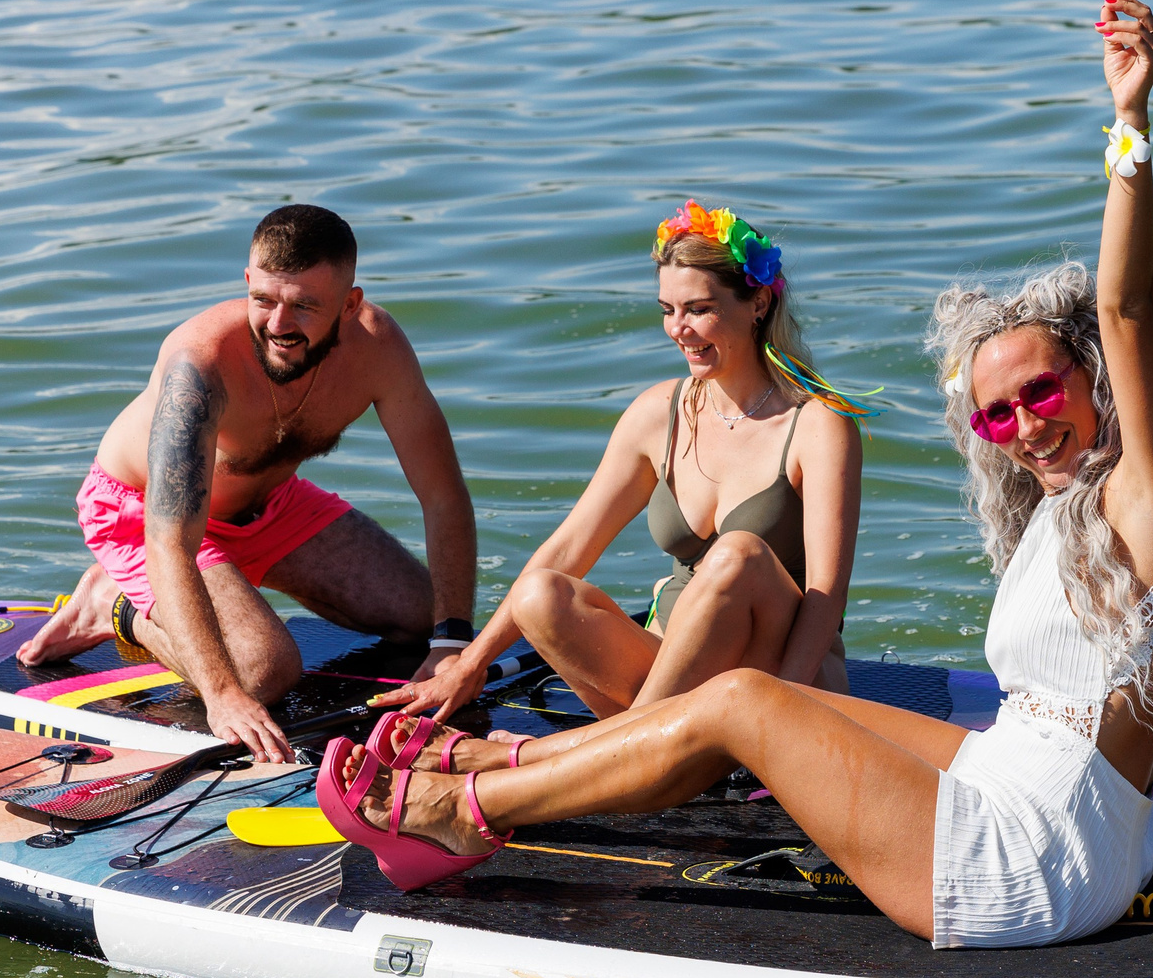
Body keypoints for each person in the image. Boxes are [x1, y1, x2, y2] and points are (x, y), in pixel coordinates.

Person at [320, 0, 1153, 948]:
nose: (1025, 427)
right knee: (780, 704)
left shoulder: (1146, 498)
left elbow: (1131, 309)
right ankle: (512, 753)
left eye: (1042, 391)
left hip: (1040, 860)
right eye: (996, 412)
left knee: (746, 699)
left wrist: (1130, 122)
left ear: (1093, 376)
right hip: (1035, 792)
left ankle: (472, 807)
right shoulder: (1058, 512)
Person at [373, 201, 871, 734]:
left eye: (698, 309)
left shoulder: (819, 425)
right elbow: (568, 550)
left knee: (739, 554)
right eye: (666, 309)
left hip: (779, 675)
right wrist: (467, 666)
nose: (678, 329)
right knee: (541, 592)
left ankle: (612, 755)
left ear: (758, 303)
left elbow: (826, 596)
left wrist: (787, 707)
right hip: (671, 672)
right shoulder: (658, 413)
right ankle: (643, 745)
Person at [14, 205, 479, 763]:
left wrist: (452, 645)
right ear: (247, 284)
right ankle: (115, 606)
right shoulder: (201, 364)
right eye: (264, 300)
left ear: (350, 304)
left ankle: (186, 598)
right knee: (263, 671)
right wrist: (222, 693)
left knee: (423, 616)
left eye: (305, 305)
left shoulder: (378, 348)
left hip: (272, 505)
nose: (279, 325)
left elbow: (443, 495)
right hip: (147, 518)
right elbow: (169, 541)